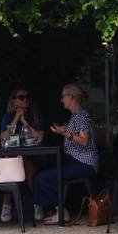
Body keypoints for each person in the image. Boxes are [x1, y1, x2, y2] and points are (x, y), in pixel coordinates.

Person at [35, 83, 97, 224]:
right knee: (44, 174)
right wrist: (65, 129)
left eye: (63, 96)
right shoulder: (76, 116)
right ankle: (57, 210)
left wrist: (65, 133)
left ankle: (62, 212)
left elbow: (84, 141)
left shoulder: (81, 116)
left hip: (84, 164)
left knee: (43, 177)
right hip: (77, 162)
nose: (61, 100)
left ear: (71, 97)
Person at [0, 87, 44, 223]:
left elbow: (40, 138)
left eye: (27, 97)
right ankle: (6, 205)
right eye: (21, 97)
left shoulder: (35, 116)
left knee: (28, 165)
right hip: (12, 155)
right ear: (14, 101)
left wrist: (25, 122)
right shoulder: (8, 117)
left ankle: (37, 204)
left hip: (32, 155)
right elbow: (4, 137)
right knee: (9, 166)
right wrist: (16, 118)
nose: (25, 100)